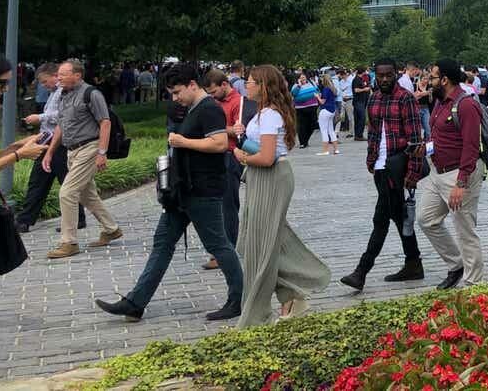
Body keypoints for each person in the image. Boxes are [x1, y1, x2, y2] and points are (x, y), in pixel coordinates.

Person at [95, 63, 243, 322]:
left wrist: (183, 141)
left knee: (218, 245)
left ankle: (238, 299)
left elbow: (220, 143)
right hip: (182, 190)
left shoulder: (209, 109)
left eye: (177, 92)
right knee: (162, 243)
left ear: (192, 85)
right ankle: (135, 302)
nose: (175, 98)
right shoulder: (191, 109)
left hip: (203, 190)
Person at [234, 65, 329, 326]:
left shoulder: (270, 115)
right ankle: (291, 297)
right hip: (262, 177)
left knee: (262, 245)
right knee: (257, 241)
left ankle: (258, 314)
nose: (246, 85)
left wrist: (242, 156)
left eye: (250, 82)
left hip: (271, 177)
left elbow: (267, 158)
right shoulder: (263, 113)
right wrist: (239, 136)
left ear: (264, 86)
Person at [340, 59, 425, 292]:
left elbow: (416, 139)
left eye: (389, 75)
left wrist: (413, 172)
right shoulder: (374, 98)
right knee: (397, 215)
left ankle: (361, 271)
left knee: (381, 219)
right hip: (379, 166)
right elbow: (373, 133)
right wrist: (370, 159)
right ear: (375, 76)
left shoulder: (405, 98)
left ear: (396, 74)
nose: (385, 79)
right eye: (381, 75)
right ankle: (413, 262)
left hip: (397, 166)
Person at [42, 59, 123, 259]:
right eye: (58, 74)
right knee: (87, 195)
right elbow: (60, 126)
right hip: (72, 151)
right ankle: (111, 229)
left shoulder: (91, 94)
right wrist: (50, 152)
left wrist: (102, 153)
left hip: (90, 148)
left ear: (77, 75)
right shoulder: (63, 95)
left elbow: (105, 123)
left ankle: (69, 242)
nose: (58, 78)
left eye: (63, 74)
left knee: (67, 193)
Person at [420, 60, 484, 289]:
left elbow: (471, 146)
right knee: (426, 219)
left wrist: (461, 183)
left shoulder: (466, 105)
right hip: (437, 172)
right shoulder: (439, 102)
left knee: (465, 230)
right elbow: (439, 135)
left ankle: (473, 284)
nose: (428, 81)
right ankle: (457, 264)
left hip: (459, 173)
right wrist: (426, 147)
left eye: (432, 77)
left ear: (445, 80)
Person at [16, 63, 86, 233]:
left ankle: (76, 218)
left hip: (60, 143)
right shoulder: (54, 93)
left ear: (55, 75)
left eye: (44, 81)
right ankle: (25, 220)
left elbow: (64, 115)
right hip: (47, 141)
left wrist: (40, 117)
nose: (43, 85)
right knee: (39, 181)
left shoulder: (65, 92)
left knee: (65, 182)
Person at [205, 69, 244, 258]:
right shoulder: (215, 102)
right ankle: (220, 248)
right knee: (216, 205)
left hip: (230, 156)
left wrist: (216, 128)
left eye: (214, 92)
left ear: (224, 84)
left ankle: (228, 250)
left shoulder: (238, 102)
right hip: (215, 156)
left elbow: (239, 132)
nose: (212, 96)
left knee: (228, 206)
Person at [290, 72, 319, 149]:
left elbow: (317, 91)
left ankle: (306, 140)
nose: (302, 79)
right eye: (301, 78)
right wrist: (299, 85)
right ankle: (302, 142)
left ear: (306, 77)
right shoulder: (295, 86)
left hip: (312, 107)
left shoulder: (311, 83)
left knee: (312, 125)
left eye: (304, 77)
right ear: (298, 79)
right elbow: (293, 94)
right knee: (302, 126)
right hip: (300, 108)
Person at [316, 74, 341, 156]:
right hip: (332, 110)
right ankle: (336, 149)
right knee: (331, 130)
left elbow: (322, 102)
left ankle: (325, 150)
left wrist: (317, 97)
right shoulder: (332, 88)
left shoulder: (325, 89)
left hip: (325, 110)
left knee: (324, 131)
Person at [352, 67, 372, 141]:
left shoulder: (361, 79)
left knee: (359, 118)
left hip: (362, 101)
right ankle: (359, 135)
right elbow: (356, 90)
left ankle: (358, 135)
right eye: (365, 71)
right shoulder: (356, 80)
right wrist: (364, 89)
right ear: (363, 72)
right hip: (358, 102)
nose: (366, 73)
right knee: (361, 118)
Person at [336, 68, 354, 138]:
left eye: (342, 75)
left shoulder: (351, 80)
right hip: (342, 100)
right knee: (340, 116)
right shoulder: (341, 82)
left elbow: (353, 91)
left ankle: (351, 132)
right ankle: (336, 132)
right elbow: (340, 91)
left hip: (349, 99)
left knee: (350, 117)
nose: (341, 76)